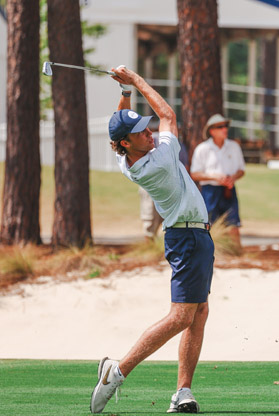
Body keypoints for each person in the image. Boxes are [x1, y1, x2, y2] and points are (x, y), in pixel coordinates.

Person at [90, 66, 214, 414]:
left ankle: (182, 392)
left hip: (196, 235)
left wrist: (125, 95)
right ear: (128, 143)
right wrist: (136, 80)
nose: (149, 132)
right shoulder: (157, 161)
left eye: (146, 128)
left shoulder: (128, 154)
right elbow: (168, 115)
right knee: (180, 317)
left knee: (198, 313)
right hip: (186, 237)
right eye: (140, 132)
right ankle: (118, 370)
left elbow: (122, 123)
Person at [190, 114, 245, 248]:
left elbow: (241, 170)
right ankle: (212, 254)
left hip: (228, 189)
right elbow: (195, 174)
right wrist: (214, 177)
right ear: (212, 131)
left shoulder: (234, 146)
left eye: (225, 126)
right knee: (210, 224)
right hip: (210, 191)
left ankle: (237, 254)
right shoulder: (202, 149)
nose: (224, 129)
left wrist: (232, 178)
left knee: (233, 224)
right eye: (220, 127)